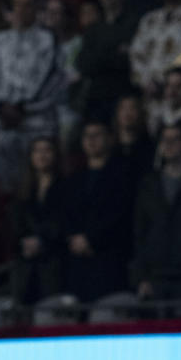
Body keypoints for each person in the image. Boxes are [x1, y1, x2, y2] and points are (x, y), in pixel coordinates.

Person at [0, 0, 66, 194]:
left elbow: (53, 80)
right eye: (16, 5)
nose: (21, 10)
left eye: (27, 5)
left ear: (36, 10)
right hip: (5, 122)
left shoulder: (48, 39)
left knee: (42, 181)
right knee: (9, 185)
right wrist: (0, 106)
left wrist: (23, 108)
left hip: (38, 121)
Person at [133, 125, 181, 301]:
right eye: (164, 140)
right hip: (155, 274)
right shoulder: (149, 184)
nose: (168, 145)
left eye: (174, 139)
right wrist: (141, 276)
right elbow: (140, 232)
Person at [63, 121, 132, 302]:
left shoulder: (123, 174)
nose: (91, 140)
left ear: (110, 138)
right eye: (87, 135)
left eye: (97, 135)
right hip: (78, 263)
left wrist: (92, 239)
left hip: (110, 259)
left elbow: (121, 215)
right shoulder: (75, 178)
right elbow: (66, 214)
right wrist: (73, 237)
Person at [13, 137, 64, 304]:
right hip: (27, 264)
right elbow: (15, 226)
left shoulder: (67, 187)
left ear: (56, 155)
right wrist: (24, 243)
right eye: (37, 150)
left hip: (55, 261)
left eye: (47, 150)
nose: (42, 155)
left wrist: (42, 240)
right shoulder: (22, 192)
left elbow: (64, 221)